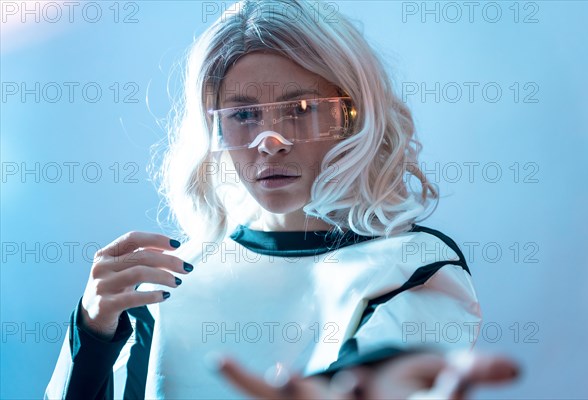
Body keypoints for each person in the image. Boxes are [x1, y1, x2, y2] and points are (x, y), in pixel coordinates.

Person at [45, 1, 518, 399]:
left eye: (302, 110)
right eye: (244, 114)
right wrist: (92, 331)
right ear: (214, 128)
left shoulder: (410, 262)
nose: (269, 141)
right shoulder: (168, 279)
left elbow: (392, 379)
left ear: (355, 116)